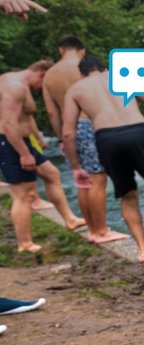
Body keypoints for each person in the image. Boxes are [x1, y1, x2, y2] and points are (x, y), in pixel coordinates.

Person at [62, 55, 144, 265]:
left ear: (83, 73)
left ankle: (143, 249)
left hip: (107, 138)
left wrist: (76, 166)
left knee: (128, 196)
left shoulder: (76, 89)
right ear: (104, 68)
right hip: (140, 133)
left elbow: (68, 133)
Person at [43, 35, 128, 244]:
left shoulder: (49, 75)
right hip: (92, 124)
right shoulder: (86, 67)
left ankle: (93, 229)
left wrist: (63, 138)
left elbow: (52, 113)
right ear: (82, 50)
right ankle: (101, 231)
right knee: (98, 180)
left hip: (70, 129)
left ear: (60, 50)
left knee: (83, 181)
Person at [0, 60, 85, 253]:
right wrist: (24, 153)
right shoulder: (15, 87)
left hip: (20, 141)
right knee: (23, 194)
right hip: (9, 142)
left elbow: (25, 117)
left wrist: (37, 137)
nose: (44, 89)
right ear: (42, 73)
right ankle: (25, 244)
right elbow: (8, 123)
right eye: (46, 83)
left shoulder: (17, 82)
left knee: (51, 174)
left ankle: (70, 219)